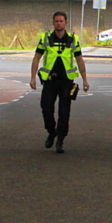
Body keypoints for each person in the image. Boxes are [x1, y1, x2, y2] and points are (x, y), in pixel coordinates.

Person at [29, 11, 90, 154]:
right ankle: (52, 131)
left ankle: (61, 139)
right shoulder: (45, 38)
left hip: (66, 81)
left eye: (61, 21)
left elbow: (80, 59)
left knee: (64, 112)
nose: (58, 23)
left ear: (66, 23)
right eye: (56, 21)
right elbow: (37, 58)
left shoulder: (73, 39)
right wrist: (32, 77)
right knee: (46, 109)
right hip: (50, 81)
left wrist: (85, 79)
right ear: (53, 23)